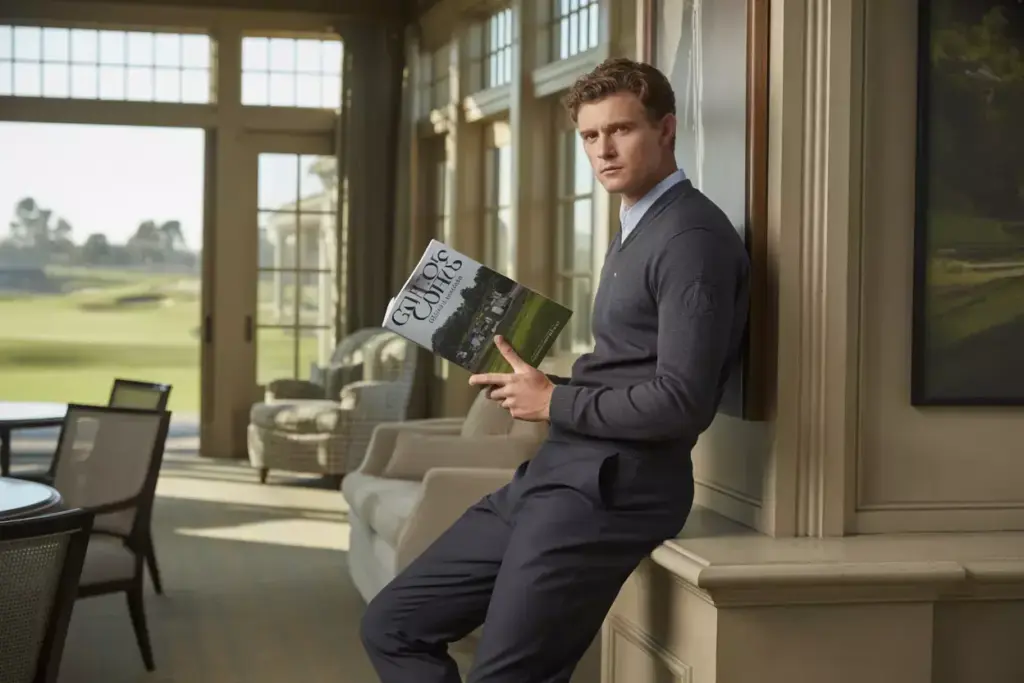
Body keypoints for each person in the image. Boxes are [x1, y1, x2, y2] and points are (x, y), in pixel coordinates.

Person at [360, 57, 750, 683]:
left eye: (620, 130)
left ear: (667, 130)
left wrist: (555, 403)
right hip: (554, 474)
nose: (604, 150)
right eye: (591, 137)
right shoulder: (636, 223)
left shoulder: (690, 240)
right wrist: (539, 389)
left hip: (614, 491)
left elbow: (682, 402)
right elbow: (631, 372)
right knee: (392, 625)